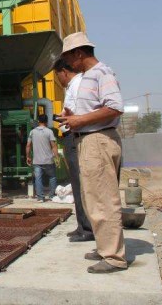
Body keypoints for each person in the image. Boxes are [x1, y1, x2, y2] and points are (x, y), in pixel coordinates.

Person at [57, 31, 127, 274]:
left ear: (79, 53)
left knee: (104, 199)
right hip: (88, 140)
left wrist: (81, 120)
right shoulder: (87, 77)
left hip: (98, 140)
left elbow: (115, 107)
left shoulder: (101, 73)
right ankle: (105, 246)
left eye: (68, 57)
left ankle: (114, 257)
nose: (68, 63)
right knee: (92, 199)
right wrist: (72, 118)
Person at [53, 58, 94, 242]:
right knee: (77, 184)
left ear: (64, 71)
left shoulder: (77, 84)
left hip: (74, 136)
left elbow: (79, 112)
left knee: (81, 184)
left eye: (57, 75)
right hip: (71, 136)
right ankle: (82, 226)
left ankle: (87, 228)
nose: (58, 80)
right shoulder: (73, 86)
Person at [26, 114, 59, 201]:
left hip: (37, 161)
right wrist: (57, 158)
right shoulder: (49, 132)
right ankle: (52, 196)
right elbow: (54, 146)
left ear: (38, 121)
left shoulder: (32, 132)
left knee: (38, 178)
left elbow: (28, 146)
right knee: (52, 177)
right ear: (46, 121)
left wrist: (28, 157)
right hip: (49, 160)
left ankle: (40, 197)